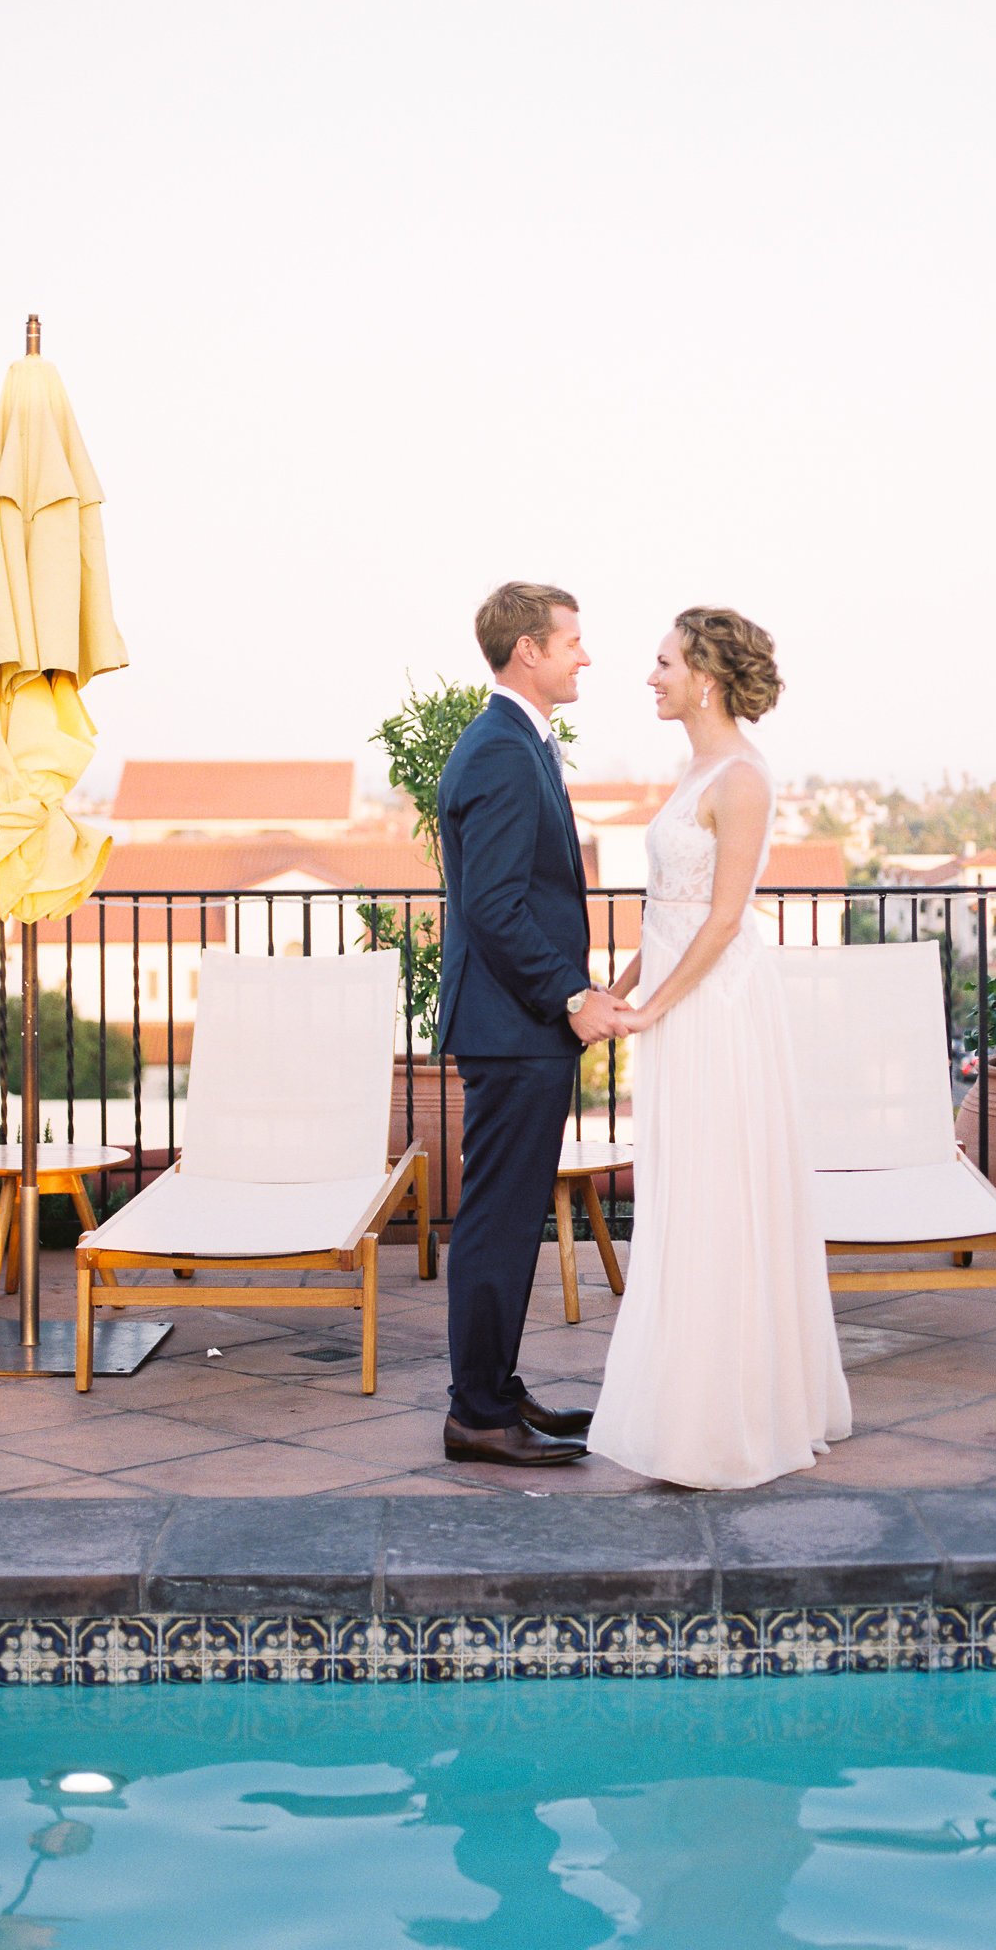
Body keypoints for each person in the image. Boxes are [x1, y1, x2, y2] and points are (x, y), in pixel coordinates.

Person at [588, 607, 851, 1489]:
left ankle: (721, 1419)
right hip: (673, 996)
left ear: (703, 673)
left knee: (712, 1193)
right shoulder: (692, 765)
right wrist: (620, 989)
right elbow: (669, 906)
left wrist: (651, 1008)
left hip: (714, 1009)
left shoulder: (741, 777)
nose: (650, 677)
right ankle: (693, 1400)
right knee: (682, 1189)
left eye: (661, 662)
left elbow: (725, 919)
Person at [435, 581, 628, 1467]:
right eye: (573, 641)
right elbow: (498, 907)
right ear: (528, 652)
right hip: (514, 1030)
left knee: (507, 1219)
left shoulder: (516, 741)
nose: (585, 655)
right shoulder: (505, 752)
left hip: (516, 1030)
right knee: (498, 1223)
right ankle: (476, 1413)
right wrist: (574, 996)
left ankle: (497, 1391)